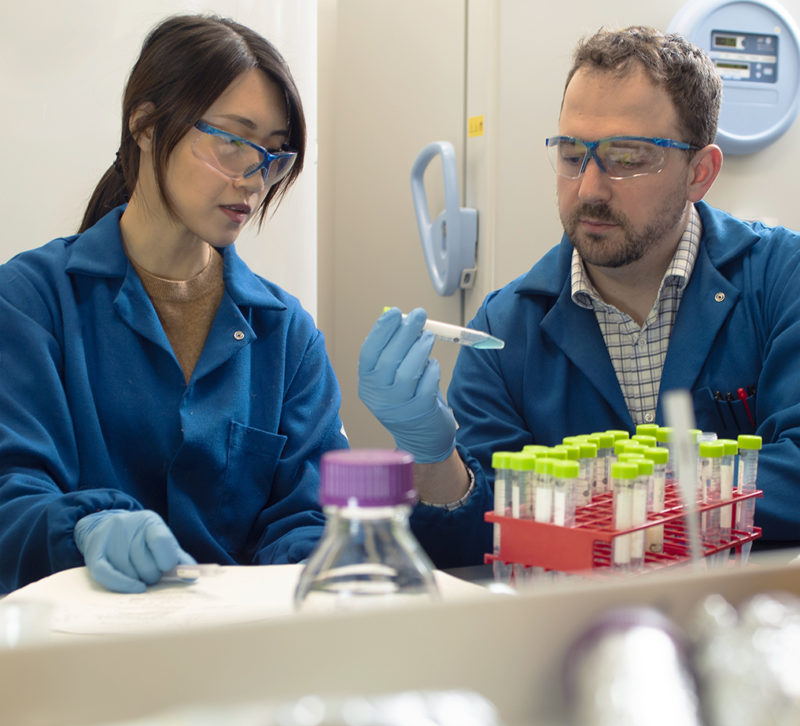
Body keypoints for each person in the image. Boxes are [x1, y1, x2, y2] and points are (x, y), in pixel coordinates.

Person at [358, 25, 800, 568]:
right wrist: (431, 456)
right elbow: (473, 539)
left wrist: (617, 502)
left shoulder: (781, 279)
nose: (589, 188)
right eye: (572, 155)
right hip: (571, 632)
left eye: (627, 157)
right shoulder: (503, 329)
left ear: (700, 172)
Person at [0, 14, 348, 593]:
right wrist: (87, 528)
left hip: (232, 654)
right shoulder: (32, 302)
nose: (254, 179)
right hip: (77, 654)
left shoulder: (286, 334)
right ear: (145, 125)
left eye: (274, 154)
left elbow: (306, 515)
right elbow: (11, 498)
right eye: (235, 143)